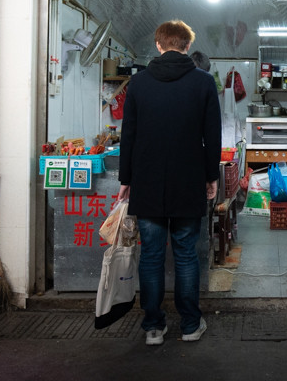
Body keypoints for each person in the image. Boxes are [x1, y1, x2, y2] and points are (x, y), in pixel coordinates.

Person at [117, 20, 222, 346]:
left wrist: (126, 179)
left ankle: (153, 327)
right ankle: (190, 326)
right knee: (186, 254)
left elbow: (128, 136)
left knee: (150, 255)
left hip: (148, 182)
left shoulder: (139, 84)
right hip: (188, 180)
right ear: (188, 46)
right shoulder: (203, 83)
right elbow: (212, 136)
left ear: (159, 45)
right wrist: (211, 176)